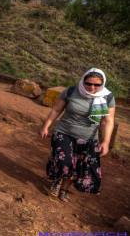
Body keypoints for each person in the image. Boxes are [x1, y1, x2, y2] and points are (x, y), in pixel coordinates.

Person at [40, 68, 116, 202]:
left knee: (78, 166)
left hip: (88, 138)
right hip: (64, 132)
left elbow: (107, 121)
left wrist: (106, 141)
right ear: (83, 80)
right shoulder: (71, 91)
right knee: (65, 161)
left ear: (102, 84)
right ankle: (57, 182)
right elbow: (56, 110)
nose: (92, 87)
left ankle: (64, 189)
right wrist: (46, 126)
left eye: (97, 85)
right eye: (88, 83)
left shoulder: (107, 97)